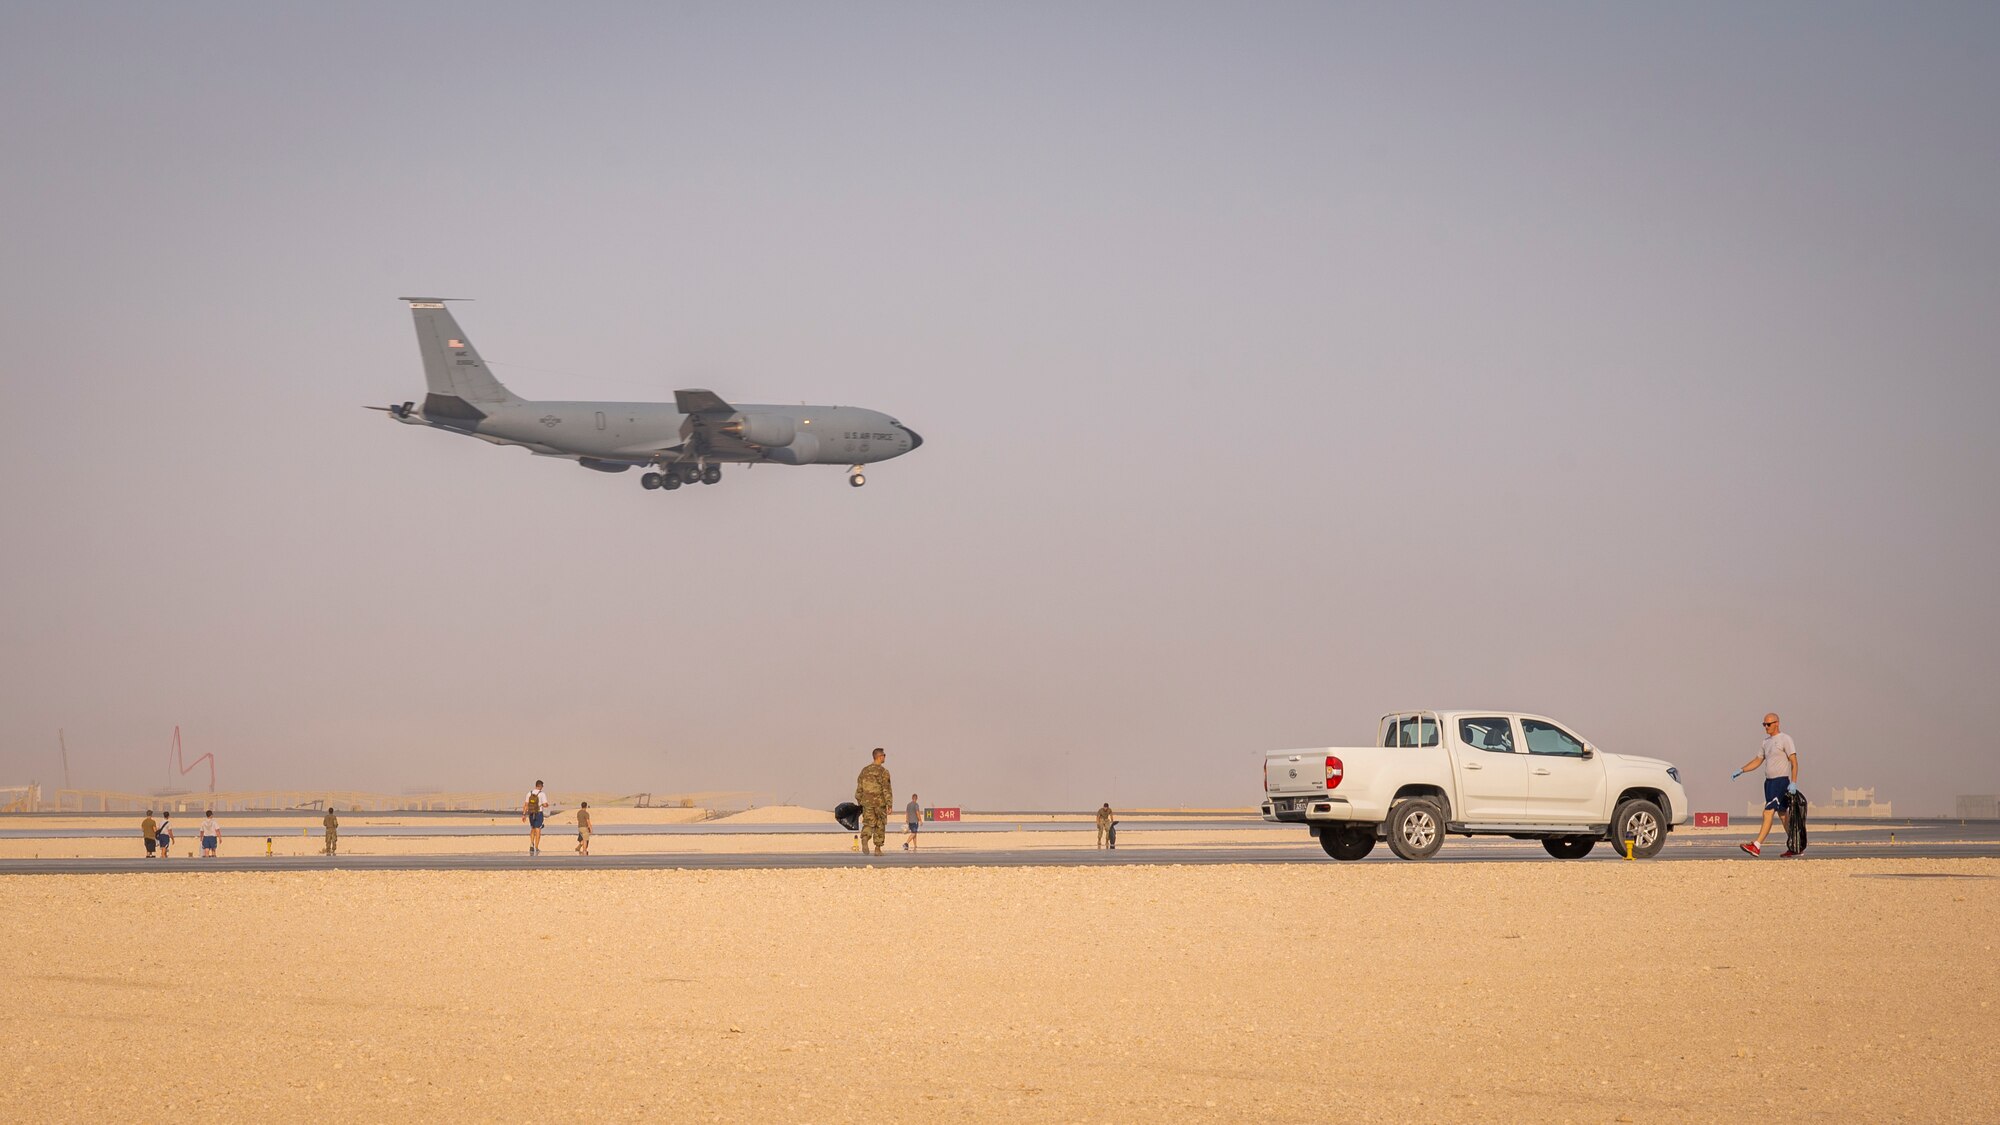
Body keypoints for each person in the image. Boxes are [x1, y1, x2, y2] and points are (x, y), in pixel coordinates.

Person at [1734, 712, 1798, 857]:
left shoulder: (1785, 739)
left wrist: (1793, 782)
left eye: (1768, 724)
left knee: (1767, 812)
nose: (1766, 727)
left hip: (1780, 782)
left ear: (1777, 723)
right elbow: (1758, 760)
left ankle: (1756, 845)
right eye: (1764, 724)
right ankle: (1796, 845)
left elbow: (1794, 762)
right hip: (1769, 783)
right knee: (1783, 815)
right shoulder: (1765, 742)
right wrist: (1742, 770)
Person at [855, 748, 892, 857]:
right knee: (880, 824)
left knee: (868, 822)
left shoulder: (864, 771)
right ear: (880, 757)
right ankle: (877, 848)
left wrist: (860, 801)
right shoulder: (883, 772)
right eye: (884, 755)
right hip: (879, 803)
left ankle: (865, 838)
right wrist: (889, 804)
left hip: (867, 803)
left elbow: (859, 789)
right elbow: (886, 789)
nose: (885, 757)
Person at [523, 780, 549, 856]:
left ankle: (531, 843)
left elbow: (526, 805)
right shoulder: (542, 794)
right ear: (540, 786)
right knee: (538, 830)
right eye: (542, 786)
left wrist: (524, 814)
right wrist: (546, 805)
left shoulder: (529, 793)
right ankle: (536, 847)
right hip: (539, 813)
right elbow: (545, 804)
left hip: (531, 813)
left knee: (533, 828)